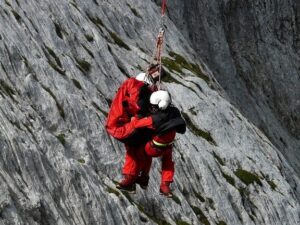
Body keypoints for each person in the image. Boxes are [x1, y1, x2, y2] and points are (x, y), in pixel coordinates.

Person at [116, 90, 186, 197]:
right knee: (168, 162)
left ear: (160, 105)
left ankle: (131, 179)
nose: (152, 108)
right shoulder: (174, 111)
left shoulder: (155, 119)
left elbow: (137, 124)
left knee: (136, 151)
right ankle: (165, 185)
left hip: (154, 148)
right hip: (168, 146)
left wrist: (135, 117)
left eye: (154, 106)